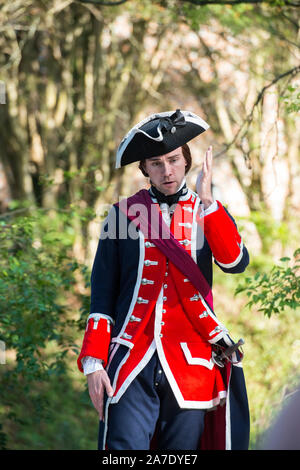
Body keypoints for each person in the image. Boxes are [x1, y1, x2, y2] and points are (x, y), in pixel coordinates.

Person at [77, 109, 250, 450]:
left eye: (173, 159)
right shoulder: (122, 214)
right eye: (156, 163)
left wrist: (209, 203)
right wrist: (94, 363)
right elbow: (102, 294)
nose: (166, 170)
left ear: (186, 161)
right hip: (131, 360)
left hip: (192, 363)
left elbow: (235, 263)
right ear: (144, 169)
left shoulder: (208, 210)